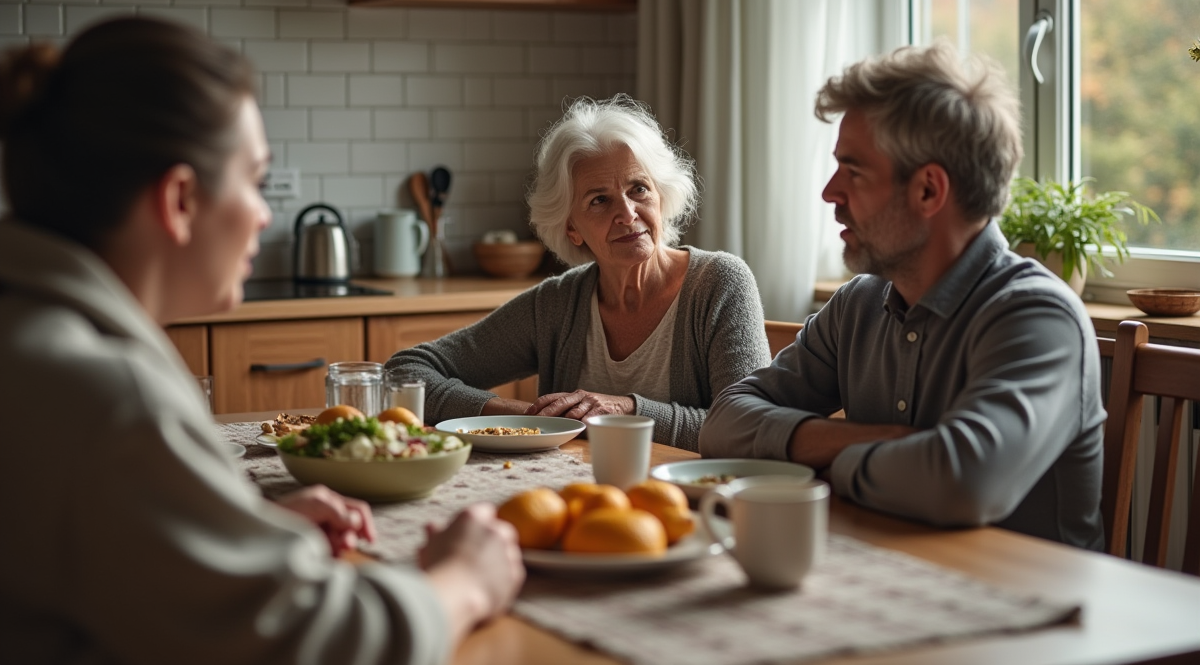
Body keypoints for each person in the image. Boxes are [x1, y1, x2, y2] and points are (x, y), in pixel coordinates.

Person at [0, 17, 524, 663]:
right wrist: (463, 582)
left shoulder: (29, 337)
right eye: (254, 179)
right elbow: (312, 644)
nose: (265, 212)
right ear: (181, 199)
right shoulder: (106, 393)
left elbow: (92, 547)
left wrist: (237, 531)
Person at [699, 42, 1106, 550]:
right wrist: (878, 441)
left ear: (929, 191)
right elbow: (725, 420)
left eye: (854, 171)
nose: (830, 192)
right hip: (886, 579)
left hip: (1030, 612)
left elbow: (961, 482)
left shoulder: (1038, 317)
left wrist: (818, 460)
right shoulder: (859, 305)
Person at [387, 95, 770, 452]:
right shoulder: (557, 305)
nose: (627, 213)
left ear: (662, 196)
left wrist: (627, 412)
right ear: (572, 228)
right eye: (599, 200)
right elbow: (403, 372)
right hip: (572, 499)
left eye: (639, 189)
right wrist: (527, 419)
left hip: (681, 505)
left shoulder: (720, 283)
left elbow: (749, 427)